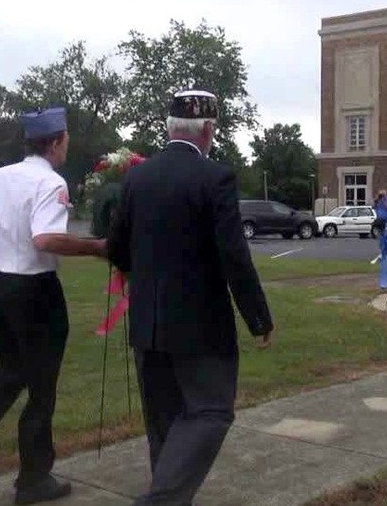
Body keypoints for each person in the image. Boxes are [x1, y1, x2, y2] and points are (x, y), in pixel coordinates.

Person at [107, 90, 275, 506]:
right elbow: (234, 255)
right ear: (208, 130)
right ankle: (160, 500)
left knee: (163, 424)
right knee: (211, 411)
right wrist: (258, 318)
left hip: (147, 322)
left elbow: (117, 247)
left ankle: (167, 497)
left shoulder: (136, 178)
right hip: (201, 327)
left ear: (170, 128)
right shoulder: (215, 178)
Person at [0, 106, 107, 505]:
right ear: (55, 141)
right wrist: (99, 247)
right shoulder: (51, 183)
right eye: (66, 136)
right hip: (34, 291)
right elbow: (46, 240)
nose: (68, 142)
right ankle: (34, 479)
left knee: (12, 371)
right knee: (41, 387)